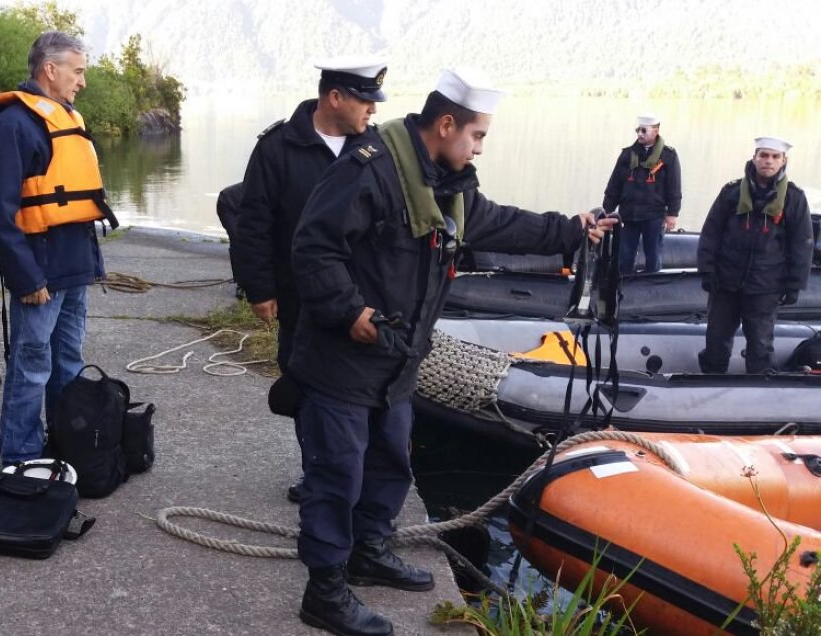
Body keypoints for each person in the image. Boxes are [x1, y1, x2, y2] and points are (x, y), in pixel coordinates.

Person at [289, 68, 614, 636]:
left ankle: (369, 551)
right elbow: (314, 247)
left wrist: (569, 229)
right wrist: (352, 313)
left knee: (390, 464)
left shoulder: (446, 183)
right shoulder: (372, 168)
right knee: (336, 476)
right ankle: (324, 592)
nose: (481, 146)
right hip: (345, 357)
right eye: (478, 136)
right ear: (446, 125)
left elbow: (496, 222)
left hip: (397, 361)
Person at [232, 56, 386, 503]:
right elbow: (254, 223)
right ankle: (317, 473)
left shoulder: (377, 149)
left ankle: (356, 476)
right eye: (364, 101)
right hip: (300, 295)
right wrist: (259, 289)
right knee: (306, 384)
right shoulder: (278, 148)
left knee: (362, 388)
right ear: (335, 97)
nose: (371, 110)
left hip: (362, 296)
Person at [0, 32, 117, 465]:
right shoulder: (16, 122)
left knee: (68, 363)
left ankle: (64, 443)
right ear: (50, 70)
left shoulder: (66, 117)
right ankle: (20, 456)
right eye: (78, 71)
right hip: (40, 272)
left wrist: (92, 265)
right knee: (32, 366)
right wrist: (24, 275)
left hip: (73, 266)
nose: (83, 82)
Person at [697, 136, 813, 374]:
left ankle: (759, 389)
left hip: (765, 287)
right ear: (755, 158)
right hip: (725, 284)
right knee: (716, 340)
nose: (768, 161)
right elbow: (711, 232)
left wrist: (794, 286)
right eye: (763, 155)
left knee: (760, 345)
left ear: (783, 161)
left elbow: (802, 245)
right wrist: (707, 270)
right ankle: (709, 382)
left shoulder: (794, 198)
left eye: (774, 157)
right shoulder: (731, 192)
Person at [602, 114, 682, 275]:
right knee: (624, 258)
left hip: (654, 216)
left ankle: (651, 292)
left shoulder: (668, 156)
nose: (639, 134)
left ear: (656, 131)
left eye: (644, 130)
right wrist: (607, 210)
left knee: (653, 258)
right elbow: (614, 185)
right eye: (638, 130)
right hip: (628, 215)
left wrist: (673, 213)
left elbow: (674, 186)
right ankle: (621, 289)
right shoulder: (627, 155)